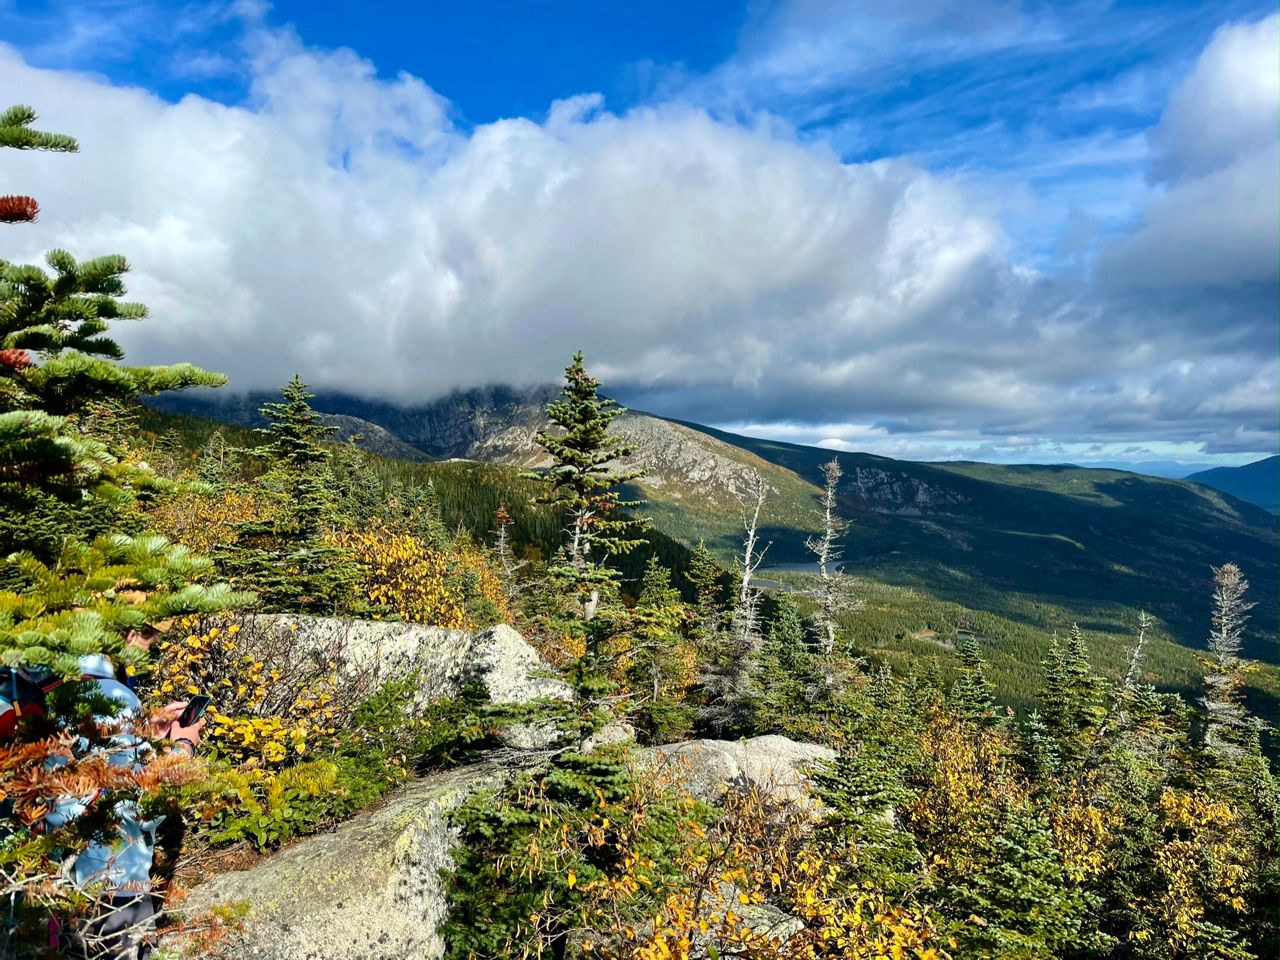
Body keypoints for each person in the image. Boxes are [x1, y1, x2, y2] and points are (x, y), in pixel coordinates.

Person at [0, 639, 204, 960]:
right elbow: (140, 805)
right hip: (115, 882)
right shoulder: (111, 694)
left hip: (48, 883)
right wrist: (183, 747)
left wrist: (142, 733)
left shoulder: (38, 693)